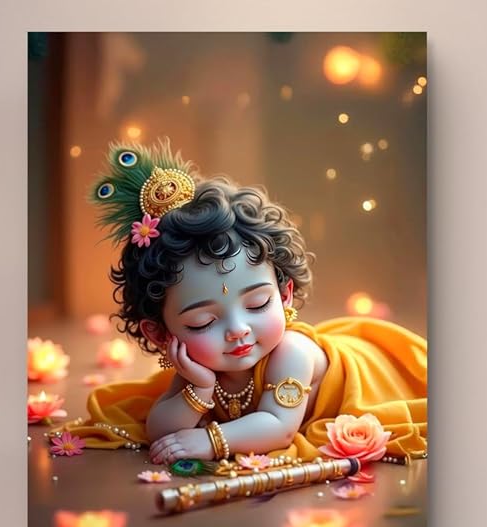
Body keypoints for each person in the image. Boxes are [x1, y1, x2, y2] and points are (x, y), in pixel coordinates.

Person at [63, 139, 427, 465]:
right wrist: (199, 389)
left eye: (257, 304)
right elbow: (160, 430)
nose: (238, 330)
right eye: (203, 322)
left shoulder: (291, 353)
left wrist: (210, 440)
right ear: (160, 333)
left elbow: (279, 427)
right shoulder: (197, 367)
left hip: (380, 378)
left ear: (283, 294)